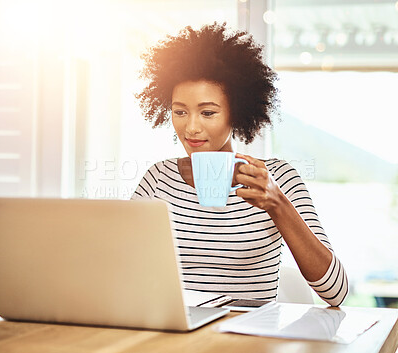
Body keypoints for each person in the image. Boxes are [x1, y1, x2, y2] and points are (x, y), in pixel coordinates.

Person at [132, 23, 348, 306]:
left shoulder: (278, 177)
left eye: (208, 112)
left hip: (248, 339)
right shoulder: (159, 178)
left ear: (237, 112)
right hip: (177, 337)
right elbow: (118, 264)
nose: (191, 127)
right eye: (180, 111)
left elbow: (336, 292)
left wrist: (277, 204)